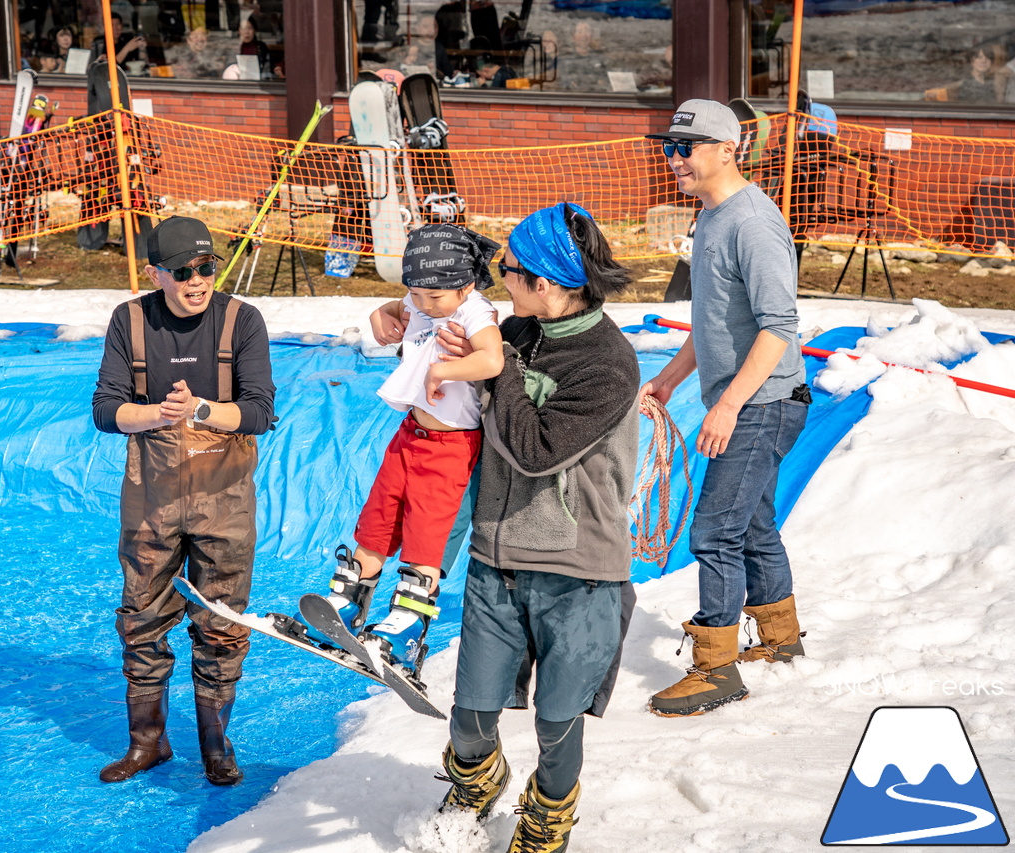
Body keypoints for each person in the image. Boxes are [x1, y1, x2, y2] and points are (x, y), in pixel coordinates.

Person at [386, 202, 638, 853]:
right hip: (497, 558)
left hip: (577, 569)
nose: (499, 277)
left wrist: (503, 371)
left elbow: (536, 449)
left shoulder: (608, 363)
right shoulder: (518, 329)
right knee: (471, 713)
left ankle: (549, 813)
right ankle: (477, 777)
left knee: (558, 719)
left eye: (509, 269)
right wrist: (406, 318)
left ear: (545, 282)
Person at [91, 216, 275, 787]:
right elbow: (105, 410)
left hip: (225, 499)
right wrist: (158, 414)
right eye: (183, 271)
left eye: (206, 267)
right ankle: (147, 743)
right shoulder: (130, 320)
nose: (197, 281)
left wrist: (199, 409)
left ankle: (216, 746)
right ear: (155, 274)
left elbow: (259, 411)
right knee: (141, 617)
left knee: (222, 623)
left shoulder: (242, 320)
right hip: (153, 497)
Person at [640, 100, 809, 718]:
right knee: (753, 523)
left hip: (764, 402)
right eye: (670, 147)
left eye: (686, 148)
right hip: (751, 400)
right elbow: (712, 322)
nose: (675, 159)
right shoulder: (710, 217)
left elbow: (778, 326)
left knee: (715, 531)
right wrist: (668, 379)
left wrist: (729, 405)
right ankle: (781, 641)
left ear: (727, 150)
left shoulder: (753, 223)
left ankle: (716, 669)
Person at [303, 224, 504, 668]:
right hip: (410, 434)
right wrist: (382, 313)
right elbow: (394, 307)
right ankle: (347, 604)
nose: (423, 304)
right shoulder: (419, 299)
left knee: (426, 539)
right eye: (415, 293)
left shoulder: (475, 310)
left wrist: (441, 371)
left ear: (466, 285)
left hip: (452, 447)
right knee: (378, 519)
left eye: (435, 297)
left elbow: (492, 359)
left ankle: (407, 626)